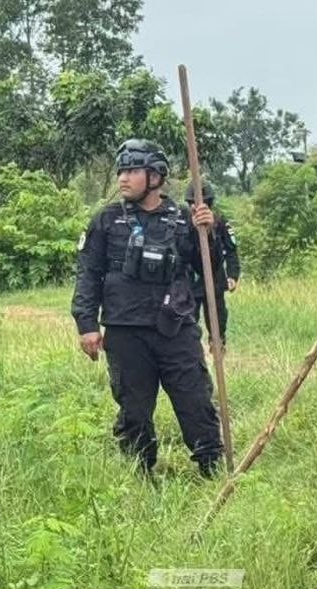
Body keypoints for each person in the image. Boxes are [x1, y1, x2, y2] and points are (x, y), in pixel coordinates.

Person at [71, 140, 224, 479]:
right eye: (121, 171)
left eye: (132, 170)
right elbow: (88, 273)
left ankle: (213, 469)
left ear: (155, 177)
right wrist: (87, 324)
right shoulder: (107, 220)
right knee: (134, 410)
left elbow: (209, 272)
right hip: (125, 331)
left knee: (196, 401)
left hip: (175, 327)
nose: (123, 178)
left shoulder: (183, 219)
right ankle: (140, 473)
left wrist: (207, 235)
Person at [185, 182, 240, 345]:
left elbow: (231, 250)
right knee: (188, 322)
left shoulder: (220, 222)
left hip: (215, 280)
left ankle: (217, 346)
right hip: (191, 281)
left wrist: (232, 275)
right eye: (192, 203)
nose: (196, 207)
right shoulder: (183, 223)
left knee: (218, 321)